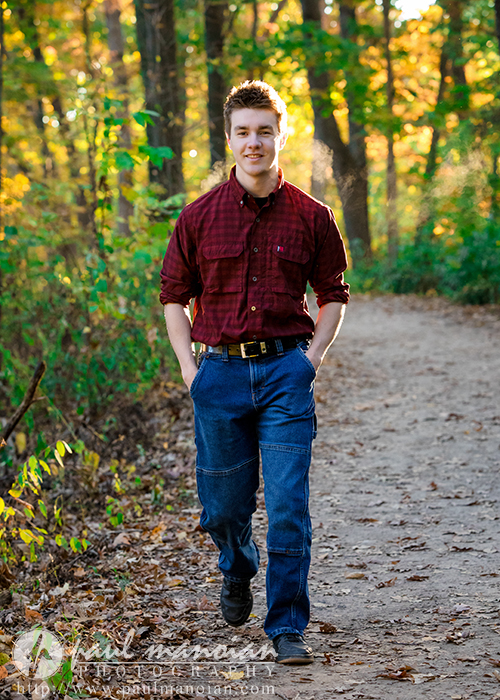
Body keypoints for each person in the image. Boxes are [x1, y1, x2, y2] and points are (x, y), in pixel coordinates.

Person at [160, 80, 349, 665]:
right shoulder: (198, 218)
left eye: (264, 130)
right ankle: (237, 564)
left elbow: (334, 294)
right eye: (243, 131)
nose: (254, 142)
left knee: (290, 505)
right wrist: (191, 372)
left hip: (284, 376)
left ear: (280, 134)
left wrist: (310, 361)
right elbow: (173, 297)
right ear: (229, 138)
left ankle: (287, 623)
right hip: (217, 378)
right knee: (223, 508)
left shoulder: (313, 217)